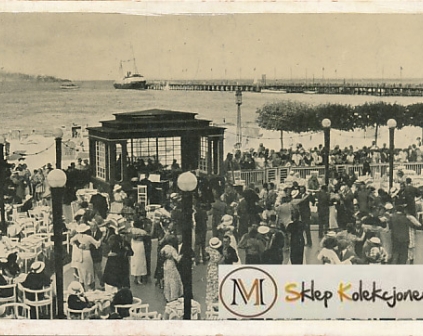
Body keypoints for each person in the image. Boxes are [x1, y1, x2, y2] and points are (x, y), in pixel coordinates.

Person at [70, 223, 101, 291]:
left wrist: (78, 244)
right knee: (89, 272)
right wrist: (101, 239)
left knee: (81, 272)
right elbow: (97, 244)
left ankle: (82, 288)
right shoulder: (88, 237)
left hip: (79, 255)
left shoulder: (77, 236)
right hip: (87, 254)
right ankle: (91, 288)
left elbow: (71, 241)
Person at [205, 238, 223, 309]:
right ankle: (216, 304)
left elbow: (206, 249)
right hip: (216, 269)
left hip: (210, 269)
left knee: (210, 286)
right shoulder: (218, 253)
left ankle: (209, 303)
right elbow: (218, 261)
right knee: (216, 286)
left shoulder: (208, 249)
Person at [129, 219, 148, 285]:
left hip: (134, 245)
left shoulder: (131, 230)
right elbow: (147, 234)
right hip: (140, 245)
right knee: (140, 261)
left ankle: (135, 277)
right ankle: (139, 278)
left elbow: (132, 236)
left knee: (134, 260)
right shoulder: (143, 231)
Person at [89, 216, 104, 290]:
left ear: (95, 226)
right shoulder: (88, 232)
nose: (91, 227)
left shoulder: (100, 233)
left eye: (92, 226)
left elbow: (98, 243)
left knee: (98, 270)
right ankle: (92, 286)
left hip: (97, 255)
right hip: (90, 254)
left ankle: (102, 283)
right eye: (90, 226)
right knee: (91, 271)